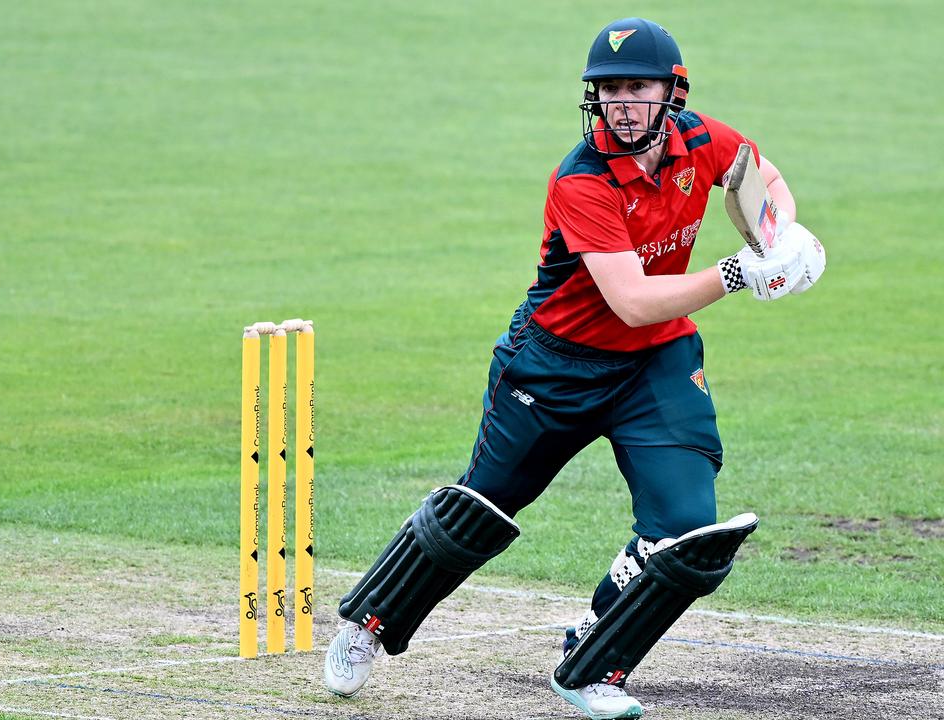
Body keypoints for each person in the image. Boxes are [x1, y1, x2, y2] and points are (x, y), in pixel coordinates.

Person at [321, 17, 826, 720]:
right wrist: (742, 271)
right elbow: (633, 300)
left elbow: (761, 176)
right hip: (553, 365)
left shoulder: (702, 138)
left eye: (637, 87)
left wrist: (781, 235)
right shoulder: (581, 179)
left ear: (672, 92)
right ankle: (367, 625)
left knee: (685, 530)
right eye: (609, 89)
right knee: (482, 510)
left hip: (654, 364)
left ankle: (594, 655)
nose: (622, 102)